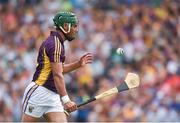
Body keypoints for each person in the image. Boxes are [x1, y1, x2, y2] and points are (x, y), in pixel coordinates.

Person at [21, 12, 93, 122]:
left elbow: (58, 70)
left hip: (53, 95)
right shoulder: (55, 44)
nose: (76, 30)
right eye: (74, 26)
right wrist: (66, 100)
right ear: (65, 26)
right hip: (39, 93)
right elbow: (57, 75)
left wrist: (77, 64)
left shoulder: (57, 42)